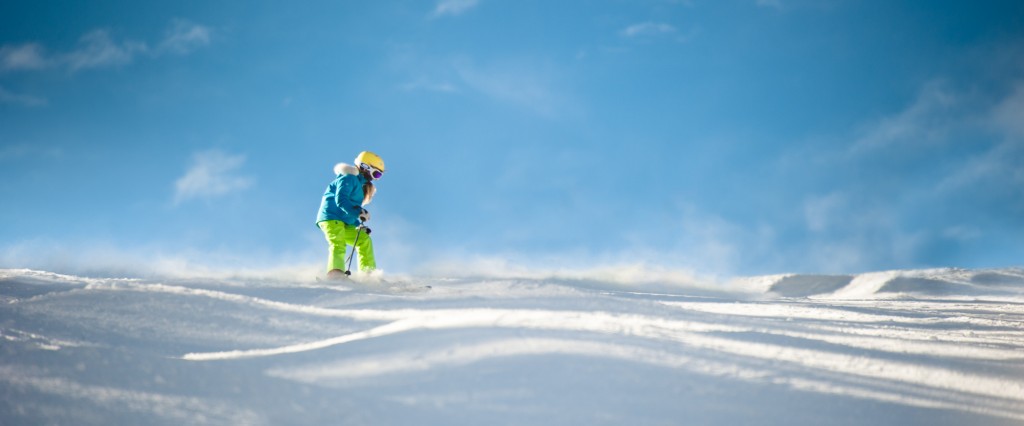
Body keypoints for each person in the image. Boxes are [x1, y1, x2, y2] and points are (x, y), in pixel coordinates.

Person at [316, 151, 385, 279]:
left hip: (345, 220)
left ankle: (369, 275)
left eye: (379, 175)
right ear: (365, 167)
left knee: (364, 240)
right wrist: (358, 212)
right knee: (338, 242)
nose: (375, 178)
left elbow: (350, 209)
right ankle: (335, 273)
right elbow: (341, 200)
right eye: (376, 173)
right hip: (331, 217)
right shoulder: (348, 178)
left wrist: (359, 225)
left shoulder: (360, 185)